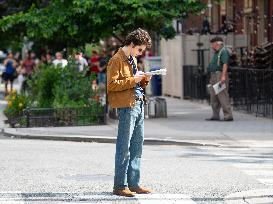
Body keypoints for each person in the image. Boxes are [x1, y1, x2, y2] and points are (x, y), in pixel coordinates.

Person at [107, 28, 152, 197]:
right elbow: (112, 85)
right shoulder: (116, 60)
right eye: (140, 49)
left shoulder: (131, 58)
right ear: (132, 44)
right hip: (127, 107)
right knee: (124, 147)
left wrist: (144, 80)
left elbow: (134, 85)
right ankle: (119, 185)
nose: (140, 53)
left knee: (137, 146)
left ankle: (133, 184)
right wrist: (135, 79)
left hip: (138, 103)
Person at [206, 37, 233, 121]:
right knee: (213, 96)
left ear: (217, 43)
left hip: (219, 75)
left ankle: (228, 115)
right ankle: (215, 115)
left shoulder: (223, 51)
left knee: (222, 95)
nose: (212, 46)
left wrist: (223, 76)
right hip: (214, 75)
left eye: (213, 44)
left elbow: (225, 64)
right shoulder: (216, 52)